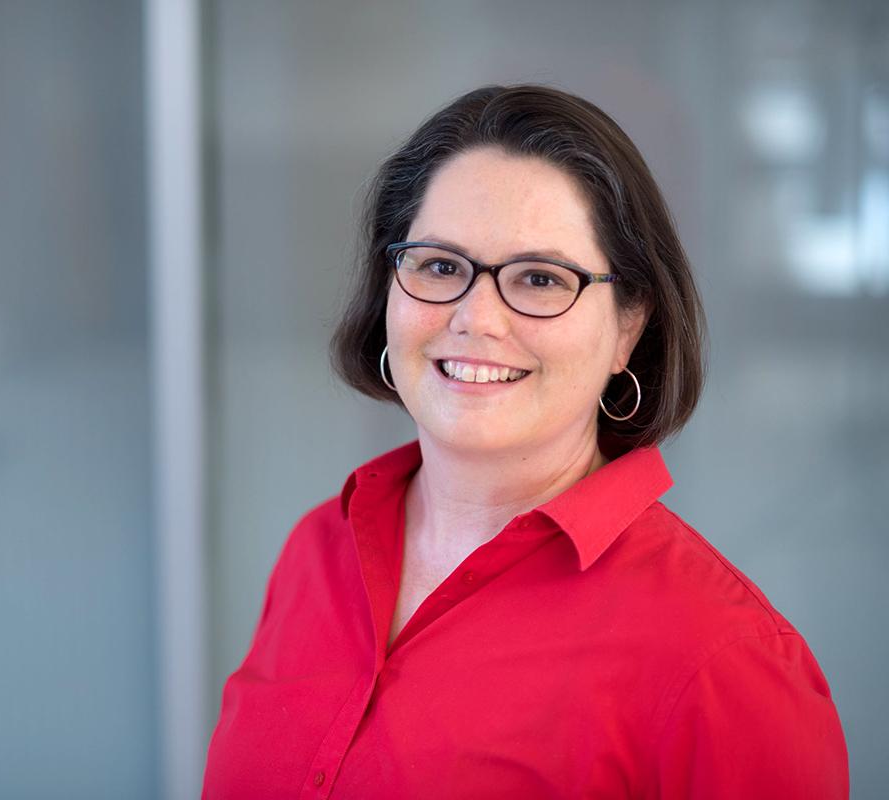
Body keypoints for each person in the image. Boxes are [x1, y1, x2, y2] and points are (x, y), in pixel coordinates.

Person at [201, 85, 848, 798]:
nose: (476, 318)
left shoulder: (723, 664)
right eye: (440, 266)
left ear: (628, 327)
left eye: (540, 278)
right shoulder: (317, 552)